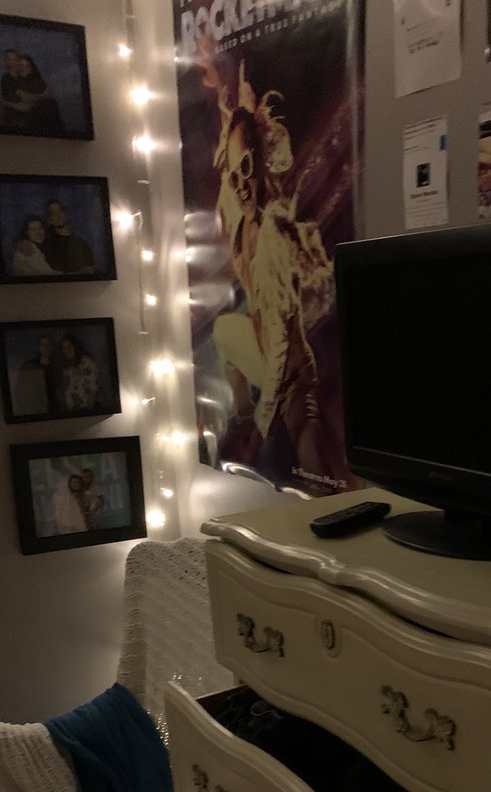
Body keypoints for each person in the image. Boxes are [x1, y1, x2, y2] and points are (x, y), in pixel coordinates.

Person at [197, 44, 333, 488]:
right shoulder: (243, 221)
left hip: (291, 371)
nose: (240, 185)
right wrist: (222, 85)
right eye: (234, 175)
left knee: (312, 463)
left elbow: (277, 358)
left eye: (247, 170)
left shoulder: (273, 233)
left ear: (259, 166)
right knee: (223, 330)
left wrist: (257, 430)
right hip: (264, 349)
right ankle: (241, 416)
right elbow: (233, 144)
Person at [11, 54, 65, 136]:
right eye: (21, 65)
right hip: (24, 124)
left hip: (47, 122)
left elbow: (50, 94)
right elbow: (26, 100)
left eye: (27, 66)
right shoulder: (13, 82)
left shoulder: (37, 81)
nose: (23, 68)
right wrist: (43, 96)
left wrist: (36, 98)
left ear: (31, 68)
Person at [43, 200, 95, 274]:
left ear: (66, 214)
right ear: (49, 219)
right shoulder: (46, 241)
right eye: (53, 213)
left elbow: (89, 269)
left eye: (60, 211)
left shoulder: (81, 243)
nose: (58, 216)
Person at [13, 334, 59, 416]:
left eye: (48, 345)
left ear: (51, 347)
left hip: (54, 409)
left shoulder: (57, 366)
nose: (45, 348)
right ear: (38, 347)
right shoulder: (29, 366)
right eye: (43, 345)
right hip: (35, 410)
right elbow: (20, 390)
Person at [57, 333, 99, 411]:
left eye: (69, 347)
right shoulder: (65, 367)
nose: (67, 350)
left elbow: (92, 389)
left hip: (86, 409)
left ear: (75, 347)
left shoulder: (86, 363)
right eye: (64, 348)